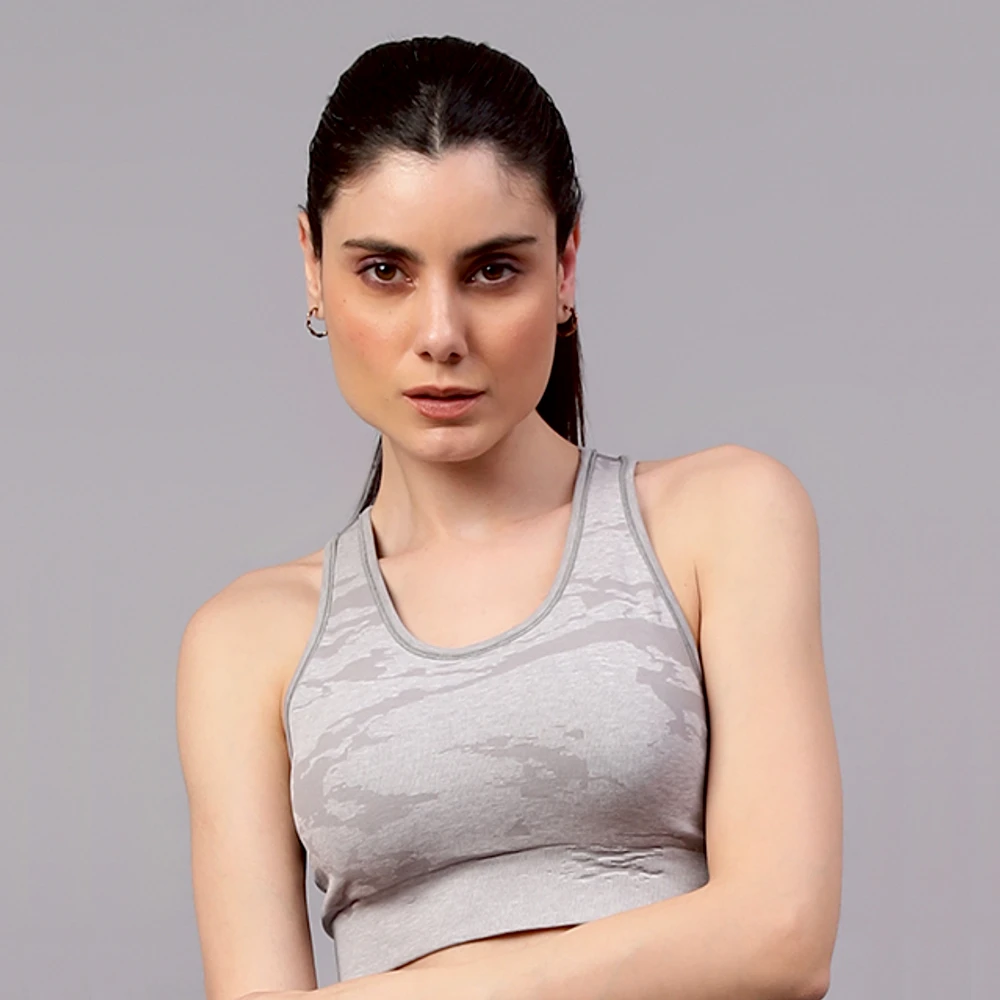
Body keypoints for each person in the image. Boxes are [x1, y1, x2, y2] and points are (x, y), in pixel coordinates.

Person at [176, 34, 842, 1000]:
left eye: (492, 270)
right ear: (312, 266)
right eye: (385, 271)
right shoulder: (248, 641)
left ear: (565, 266)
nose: (440, 335)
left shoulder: (721, 520)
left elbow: (783, 937)